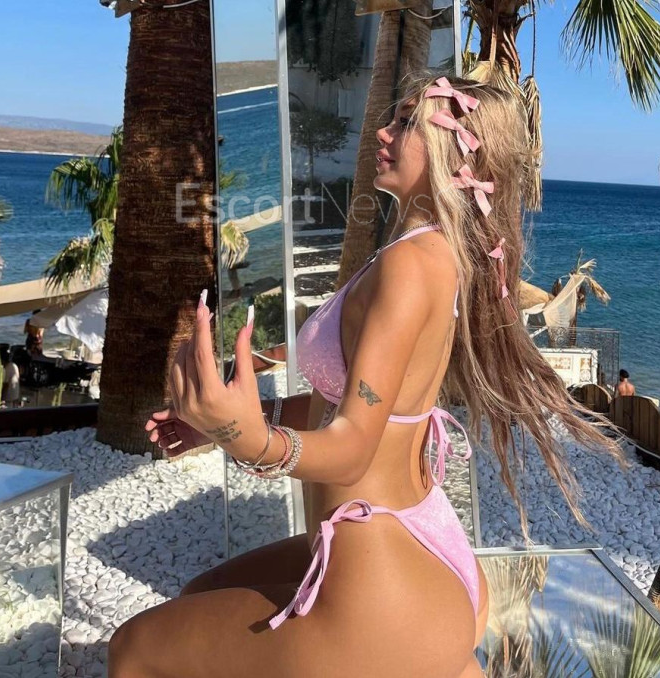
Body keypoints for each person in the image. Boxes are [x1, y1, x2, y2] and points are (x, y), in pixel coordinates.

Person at [111, 74, 621, 678]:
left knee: (133, 651)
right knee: (201, 592)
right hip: (417, 551)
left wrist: (244, 437)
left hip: (384, 590)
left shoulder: (411, 265)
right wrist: (218, 427)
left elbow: (352, 447)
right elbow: (358, 408)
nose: (382, 132)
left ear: (454, 153)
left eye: (406, 123)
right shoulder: (432, 252)